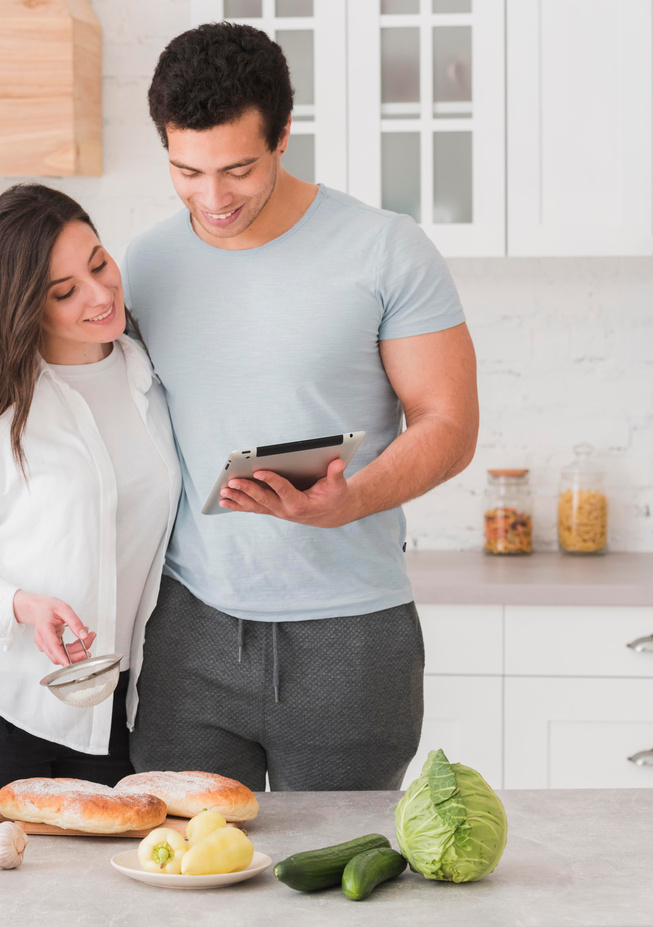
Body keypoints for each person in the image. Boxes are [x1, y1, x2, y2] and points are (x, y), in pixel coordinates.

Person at [124, 23, 479, 791]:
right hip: (191, 629)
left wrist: (350, 500)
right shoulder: (146, 263)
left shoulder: (385, 249)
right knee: (182, 876)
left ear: (284, 135)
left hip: (351, 634)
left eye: (237, 169)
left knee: (335, 890)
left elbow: (448, 425)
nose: (211, 198)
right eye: (185, 171)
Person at [0, 184, 181, 791]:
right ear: (25, 305)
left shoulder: (151, 379)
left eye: (99, 263)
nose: (100, 293)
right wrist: (23, 605)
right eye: (65, 292)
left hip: (107, 708)